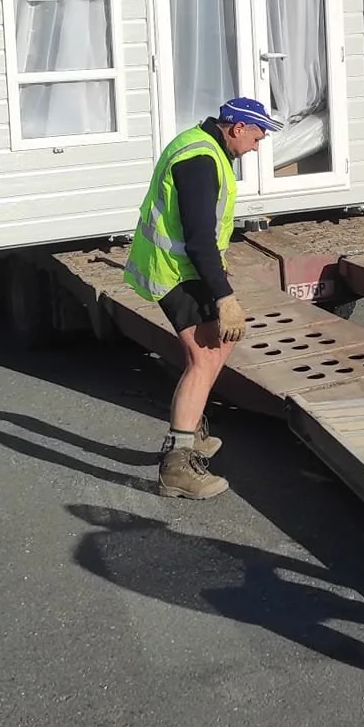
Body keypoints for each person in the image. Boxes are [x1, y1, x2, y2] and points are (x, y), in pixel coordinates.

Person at [123, 97, 279, 500]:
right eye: (257, 137)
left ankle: (190, 431)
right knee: (204, 358)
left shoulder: (205, 146)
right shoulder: (200, 160)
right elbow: (197, 240)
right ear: (237, 128)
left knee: (219, 348)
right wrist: (224, 296)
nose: (257, 147)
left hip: (185, 267)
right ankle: (177, 465)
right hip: (173, 270)